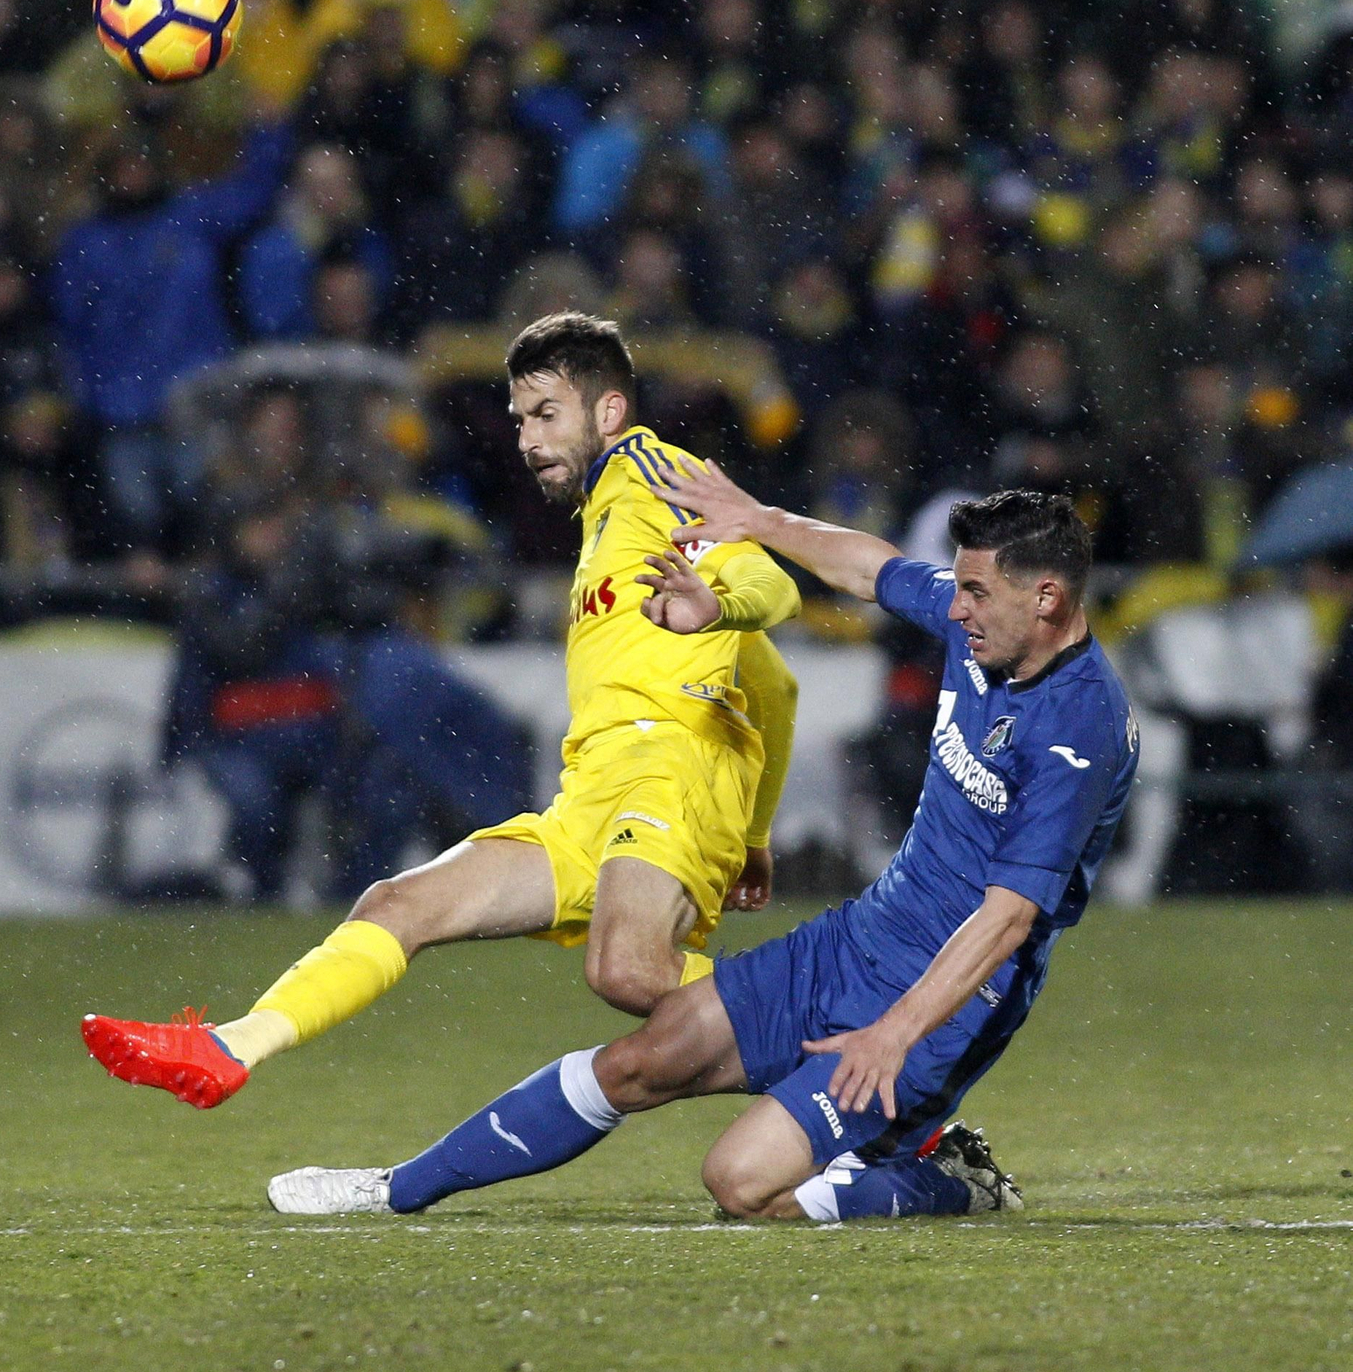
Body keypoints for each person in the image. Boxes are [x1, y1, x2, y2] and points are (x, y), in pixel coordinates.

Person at [266, 477, 1139, 1225]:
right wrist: (758, 519)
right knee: (645, 1057)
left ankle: (949, 1179)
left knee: (742, 1185)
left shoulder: (1080, 730)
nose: (954, 607)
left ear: (1047, 599)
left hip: (949, 1000)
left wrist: (893, 1033)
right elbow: (866, 568)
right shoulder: (983, 624)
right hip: (858, 941)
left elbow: (1008, 918)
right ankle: (394, 1190)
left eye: (974, 592)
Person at [82, 313, 801, 1105]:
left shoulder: (657, 476)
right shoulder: (607, 518)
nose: (528, 440)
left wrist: (721, 605)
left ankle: (840, 1025)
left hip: (669, 769)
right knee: (399, 902)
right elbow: (774, 685)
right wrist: (755, 838)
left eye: (547, 415)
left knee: (627, 971)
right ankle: (230, 1047)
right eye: (520, 419)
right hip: (592, 800)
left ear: (609, 411)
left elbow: (770, 585)